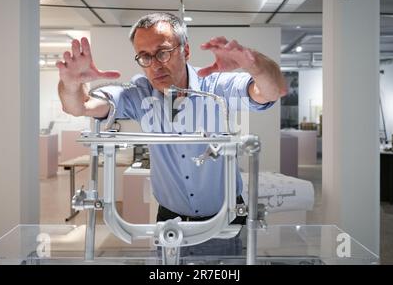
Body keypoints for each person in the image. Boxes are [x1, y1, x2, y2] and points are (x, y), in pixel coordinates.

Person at [57, 12, 287, 224]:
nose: (155, 65)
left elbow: (271, 91)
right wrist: (70, 83)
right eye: (145, 56)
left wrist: (253, 63)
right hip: (170, 217)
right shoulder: (139, 93)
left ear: (185, 51)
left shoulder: (216, 86)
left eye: (163, 52)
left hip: (228, 214)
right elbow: (79, 106)